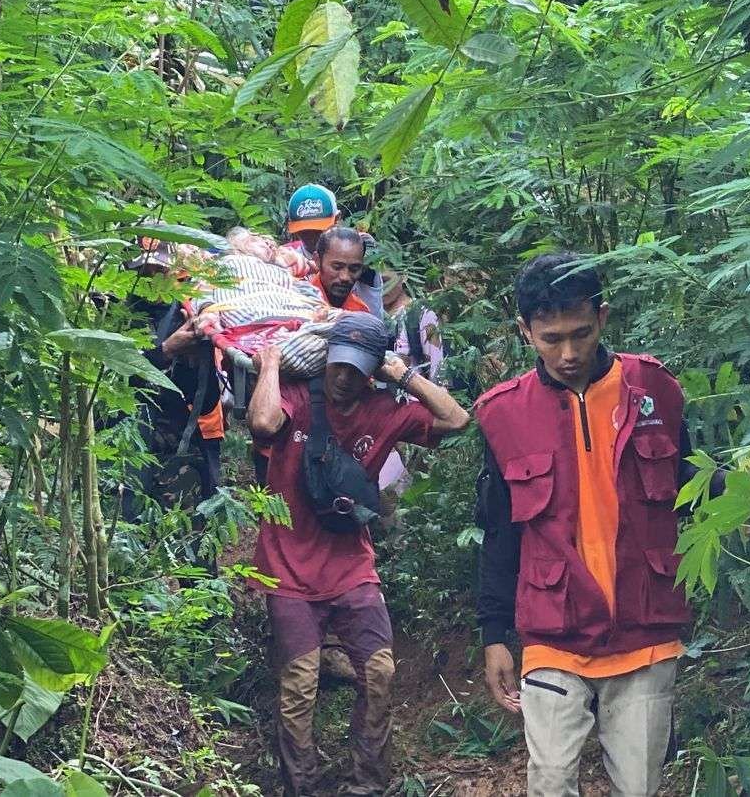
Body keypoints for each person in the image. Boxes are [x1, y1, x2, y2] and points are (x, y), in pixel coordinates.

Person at [475, 252, 718, 797]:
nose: (567, 353)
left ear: (603, 319)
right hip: (553, 632)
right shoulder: (502, 414)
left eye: (581, 334)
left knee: (639, 787)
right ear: (525, 331)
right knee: (552, 781)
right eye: (550, 338)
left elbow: (692, 489)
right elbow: (499, 533)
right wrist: (494, 634)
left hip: (645, 628)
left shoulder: (654, 387)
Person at [248, 312, 469, 795]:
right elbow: (264, 422)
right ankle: (301, 786)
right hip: (287, 568)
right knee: (299, 687)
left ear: (372, 368)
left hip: (352, 567)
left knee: (379, 671)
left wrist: (404, 374)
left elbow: (456, 419)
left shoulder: (382, 408)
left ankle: (365, 783)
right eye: (338, 364)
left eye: (357, 368)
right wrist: (269, 363)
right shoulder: (300, 397)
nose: (344, 377)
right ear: (325, 358)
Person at [123, 240, 226, 516]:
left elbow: (204, 402)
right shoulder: (115, 316)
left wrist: (196, 358)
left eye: (161, 271)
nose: (154, 280)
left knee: (191, 536)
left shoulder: (182, 313)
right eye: (145, 272)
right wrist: (166, 350)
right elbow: (115, 380)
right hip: (123, 449)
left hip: (173, 449)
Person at [377, 273, 446, 499]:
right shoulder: (371, 314)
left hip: (417, 418)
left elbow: (438, 367)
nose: (382, 285)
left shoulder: (422, 314)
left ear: (403, 275)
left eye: (386, 277)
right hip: (383, 418)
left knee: (415, 492)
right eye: (375, 279)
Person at [285, 185, 385, 315]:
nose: (312, 237)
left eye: (319, 229)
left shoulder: (360, 250)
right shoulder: (287, 259)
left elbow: (373, 313)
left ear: (337, 219)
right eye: (305, 231)